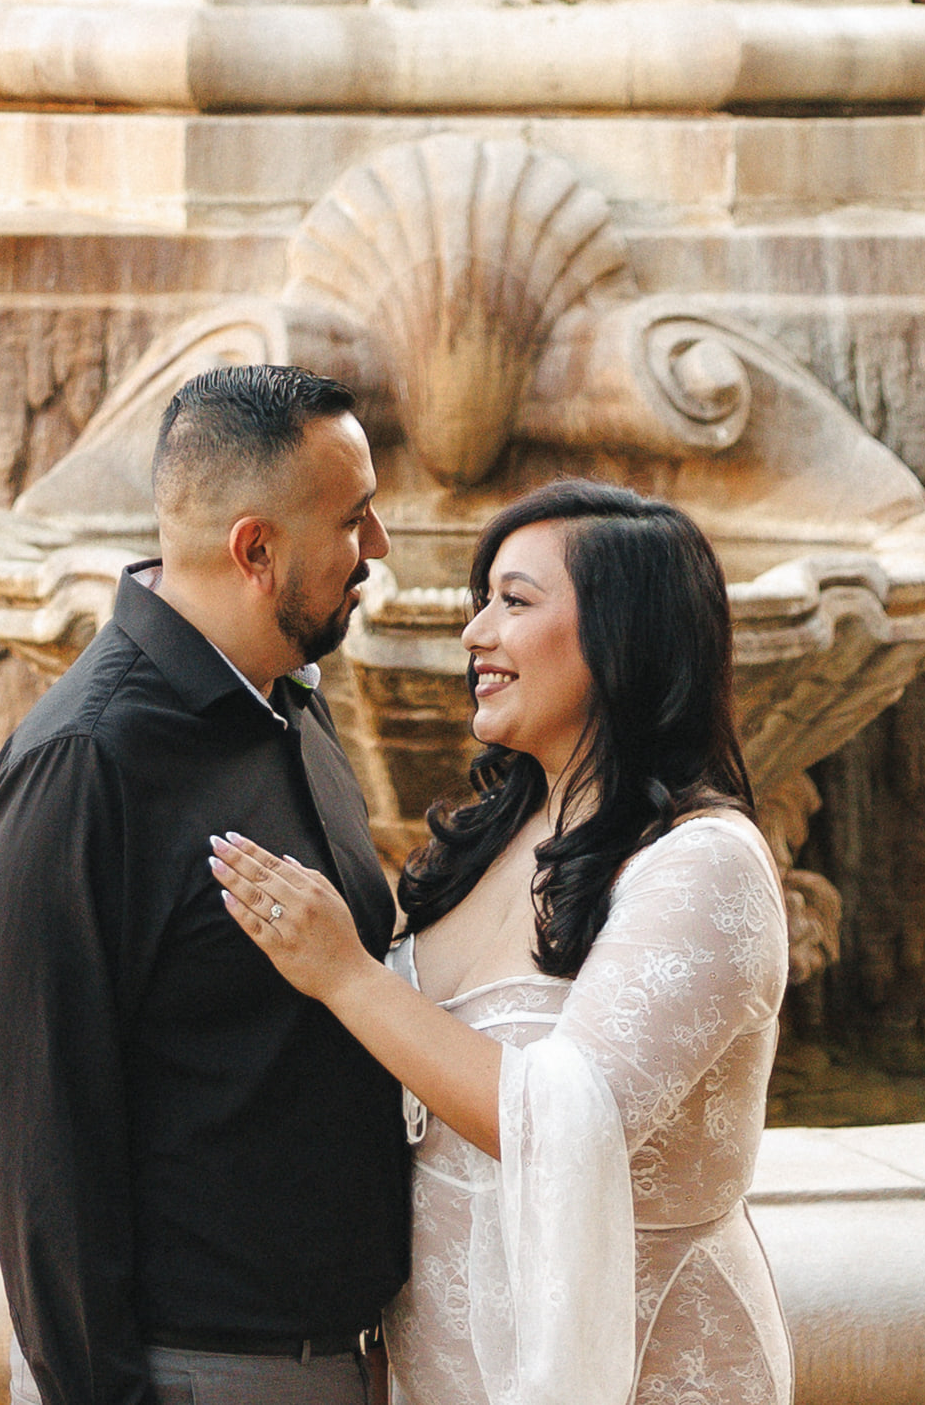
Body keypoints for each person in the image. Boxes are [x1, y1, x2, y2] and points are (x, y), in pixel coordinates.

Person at [207, 480, 791, 1405]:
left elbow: (571, 1121)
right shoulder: (489, 838)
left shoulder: (703, 863)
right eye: (482, 600)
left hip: (644, 1372)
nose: (475, 633)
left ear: (623, 634)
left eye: (513, 602)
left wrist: (346, 976)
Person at [0, 361, 410, 1405]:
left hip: (342, 1356)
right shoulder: (85, 763)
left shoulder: (289, 700)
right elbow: (40, 1144)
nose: (380, 545)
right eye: (352, 518)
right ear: (256, 550)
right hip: (193, 1375)